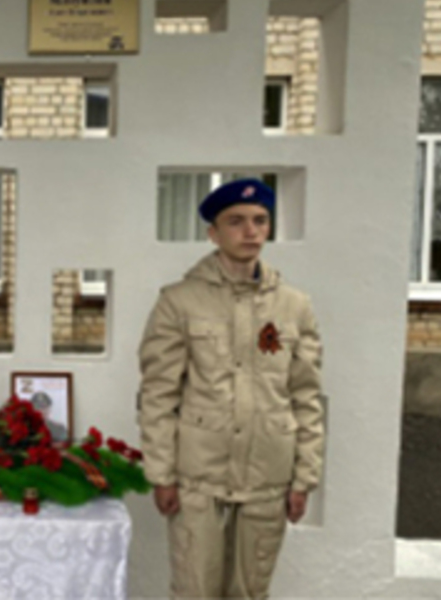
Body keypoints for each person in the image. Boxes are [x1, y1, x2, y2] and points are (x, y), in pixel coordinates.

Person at [137, 178, 324, 599]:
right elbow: (158, 396)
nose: (251, 231)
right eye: (236, 221)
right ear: (213, 233)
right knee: (194, 589)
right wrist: (162, 473)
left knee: (251, 592)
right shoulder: (179, 302)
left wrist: (304, 478)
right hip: (199, 478)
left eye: (260, 221)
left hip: (268, 477)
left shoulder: (294, 306)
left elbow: (306, 397)